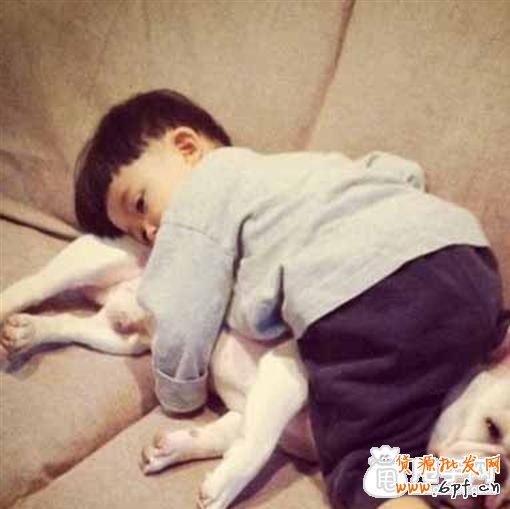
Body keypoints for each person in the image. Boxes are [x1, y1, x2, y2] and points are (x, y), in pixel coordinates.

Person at [75, 89, 509, 508]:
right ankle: (487, 476)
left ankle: (471, 478)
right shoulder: (313, 169)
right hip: (465, 258)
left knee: (369, 472)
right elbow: (404, 171)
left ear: (187, 148)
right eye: (137, 234)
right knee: (416, 414)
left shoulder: (198, 197)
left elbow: (179, 312)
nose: (151, 232)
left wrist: (179, 394)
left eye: (140, 204)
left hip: (366, 297)